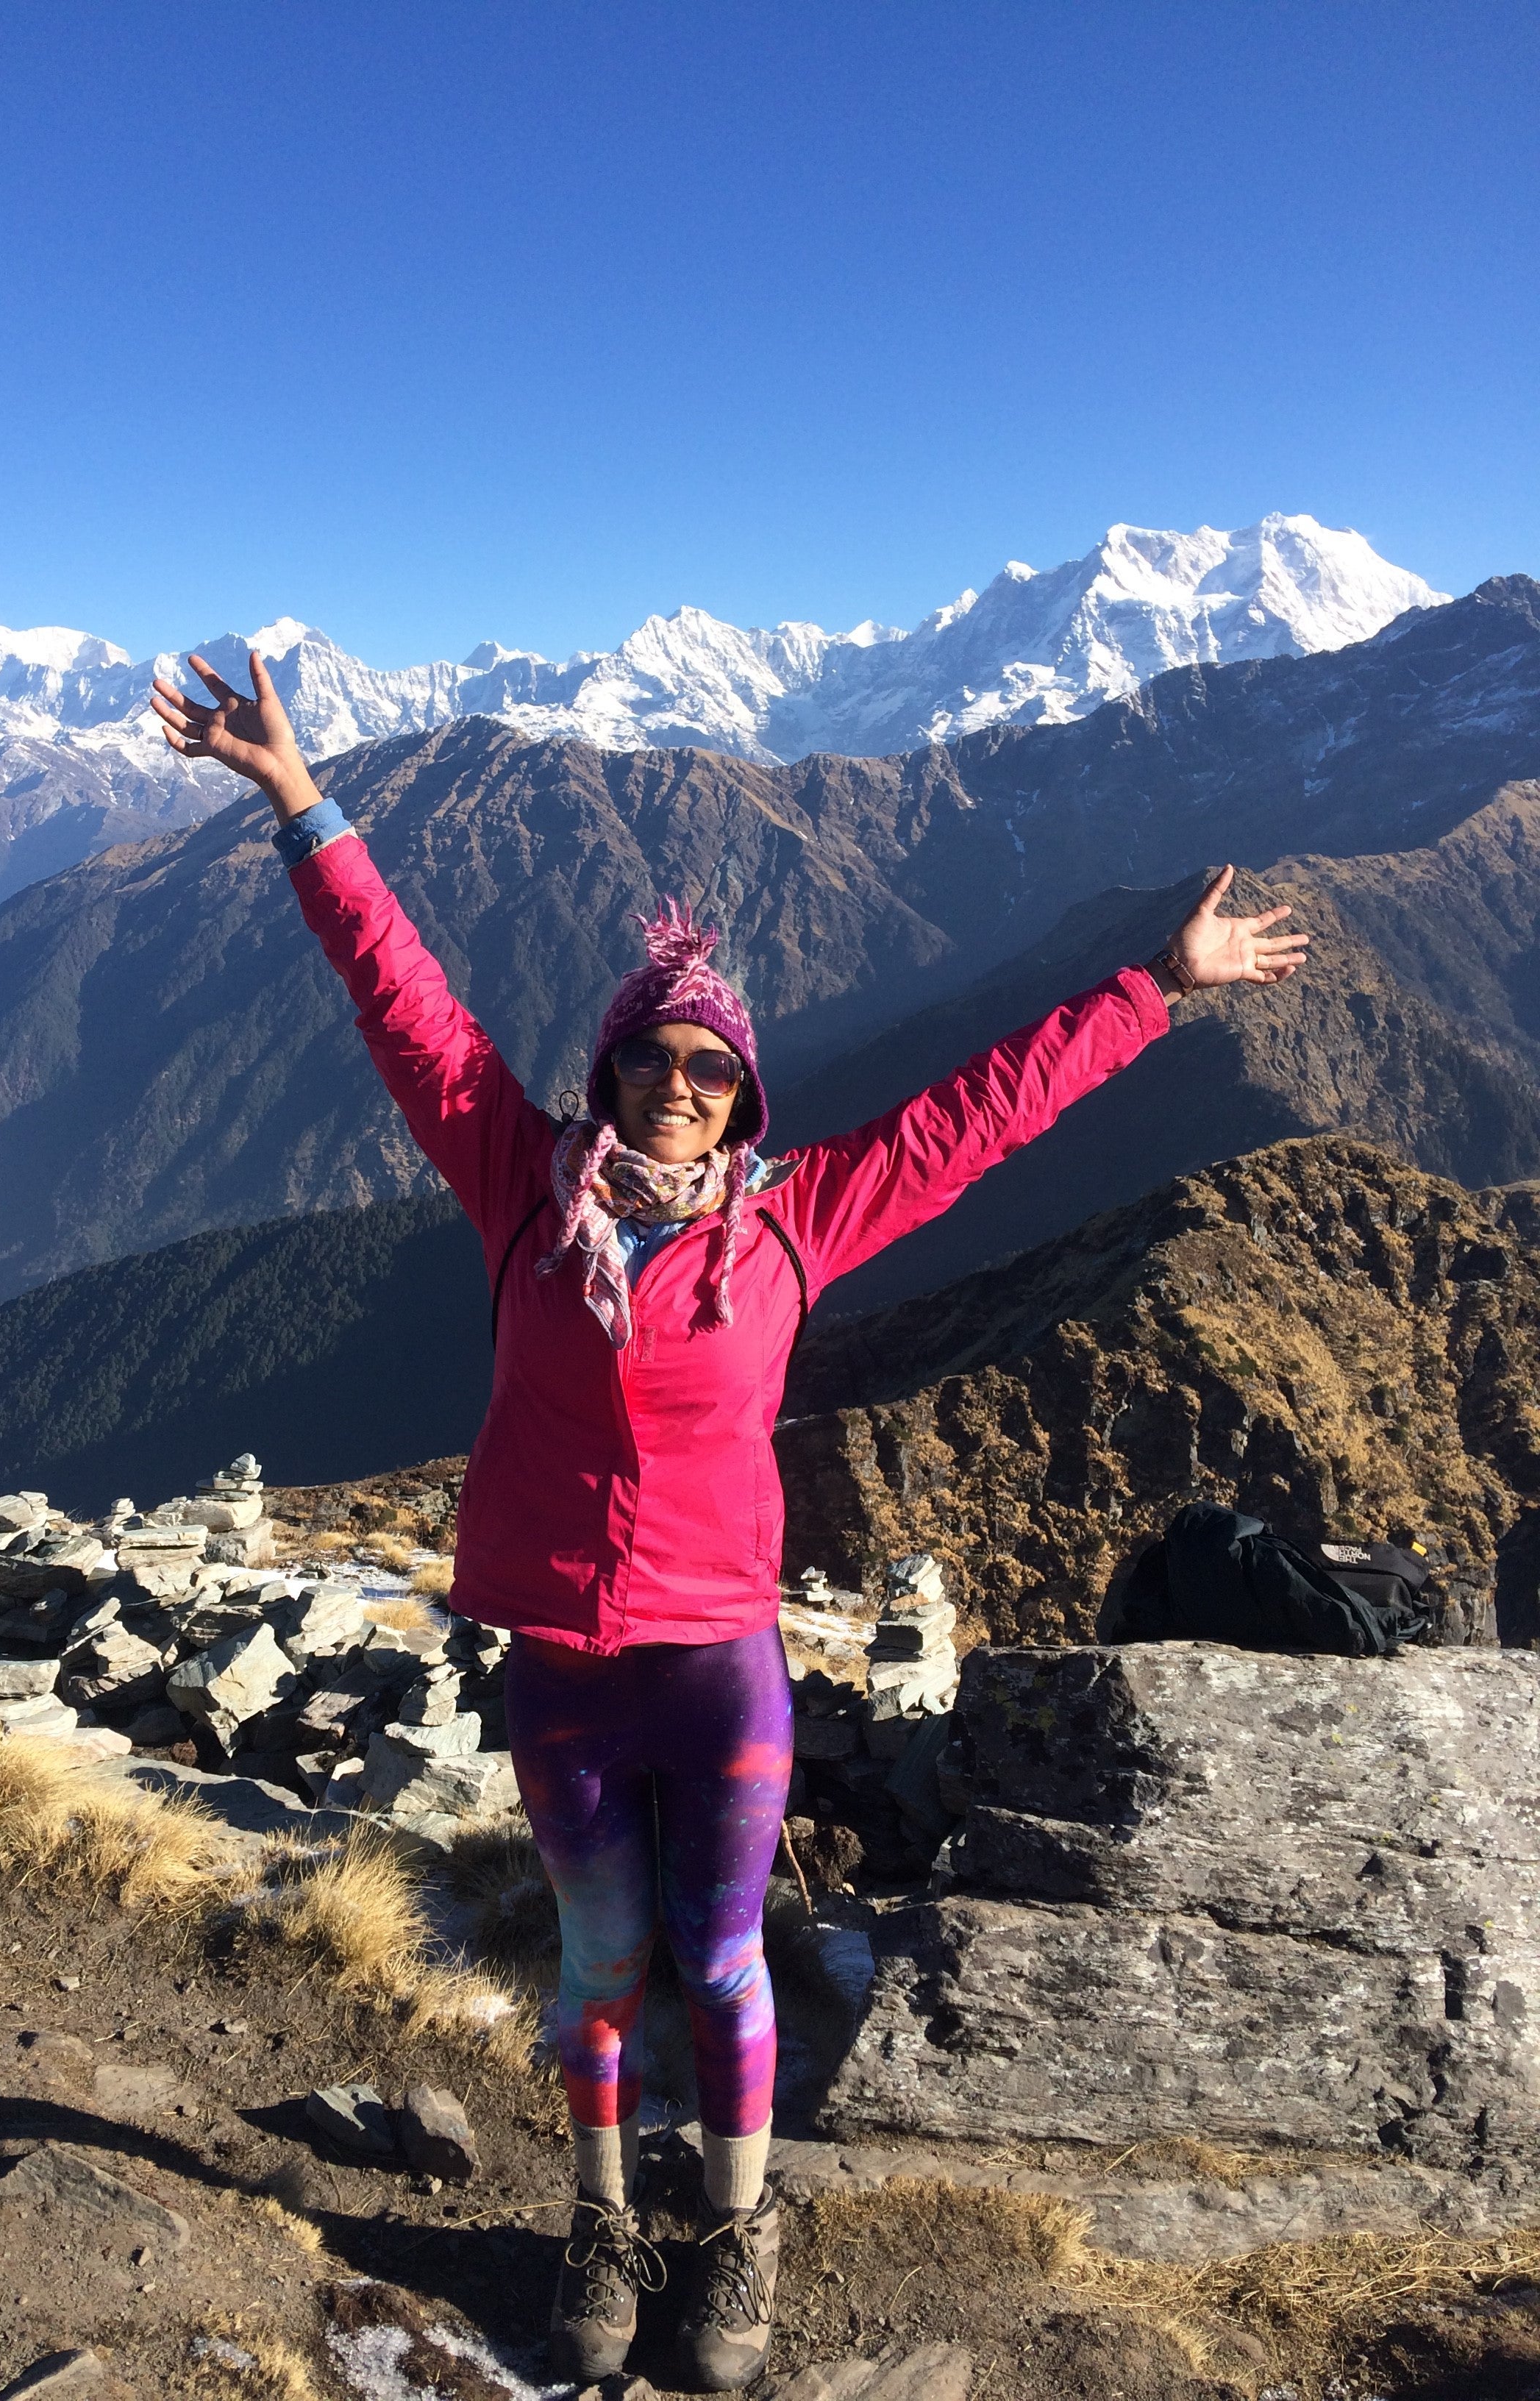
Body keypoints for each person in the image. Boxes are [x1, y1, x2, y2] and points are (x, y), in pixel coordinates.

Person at [151, 650, 1309, 2389]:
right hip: (562, 1657)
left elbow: (986, 1111)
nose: (678, 1085)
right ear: (609, 1073)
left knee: (718, 1953)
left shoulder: (795, 1224)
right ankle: (605, 2223)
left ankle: (737, 2234)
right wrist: (300, 800)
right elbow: (401, 995)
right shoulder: (511, 1181)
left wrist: (1160, 984)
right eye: (652, 1060)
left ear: (742, 1094)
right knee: (599, 1966)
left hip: (719, 1660)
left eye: (709, 1067)